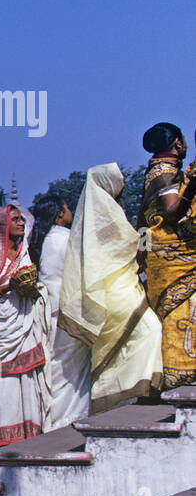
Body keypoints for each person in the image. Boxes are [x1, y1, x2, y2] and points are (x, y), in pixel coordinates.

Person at [60, 163, 164, 412]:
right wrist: (151, 235)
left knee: (125, 342)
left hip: (114, 288)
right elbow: (129, 243)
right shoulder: (105, 211)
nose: (123, 186)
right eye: (119, 181)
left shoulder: (99, 211)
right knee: (150, 330)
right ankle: (136, 389)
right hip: (117, 289)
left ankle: (127, 391)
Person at [0, 205, 47, 449]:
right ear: (3, 225)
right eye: (15, 220)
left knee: (26, 379)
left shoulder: (23, 252)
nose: (21, 223)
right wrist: (9, 287)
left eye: (22, 219)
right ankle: (2, 438)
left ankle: (29, 433)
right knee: (0, 382)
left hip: (22, 321)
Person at [141, 121, 196, 389]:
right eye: (184, 140)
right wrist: (194, 184)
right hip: (174, 261)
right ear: (177, 143)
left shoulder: (169, 171)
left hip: (181, 256)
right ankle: (178, 374)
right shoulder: (163, 173)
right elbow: (173, 212)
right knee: (181, 311)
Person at [34, 197, 90, 430]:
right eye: (67, 208)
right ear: (59, 214)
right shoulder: (66, 239)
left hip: (52, 309)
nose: (71, 212)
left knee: (58, 364)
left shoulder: (47, 240)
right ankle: (69, 419)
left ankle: (54, 417)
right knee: (72, 369)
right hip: (67, 309)